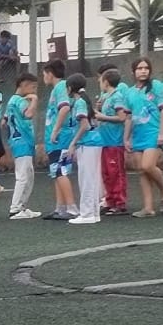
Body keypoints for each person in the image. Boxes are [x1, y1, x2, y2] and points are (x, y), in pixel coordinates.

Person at [127, 57, 163, 218]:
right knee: (141, 170)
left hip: (153, 132)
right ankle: (148, 207)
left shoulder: (156, 86)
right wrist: (126, 138)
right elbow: (129, 116)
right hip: (138, 135)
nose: (143, 71)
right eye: (140, 68)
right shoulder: (130, 92)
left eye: (146, 68)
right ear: (133, 71)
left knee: (148, 165)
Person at [65, 73, 105, 225]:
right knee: (92, 178)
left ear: (70, 88)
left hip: (87, 143)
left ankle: (87, 213)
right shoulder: (84, 101)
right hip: (93, 143)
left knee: (86, 179)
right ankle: (93, 213)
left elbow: (85, 125)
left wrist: (73, 143)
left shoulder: (79, 103)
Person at [4, 72, 42, 219]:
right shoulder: (19, 100)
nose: (34, 90)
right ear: (23, 85)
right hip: (21, 141)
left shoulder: (12, 100)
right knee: (23, 176)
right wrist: (34, 100)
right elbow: (28, 114)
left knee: (28, 175)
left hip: (22, 140)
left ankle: (22, 207)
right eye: (33, 87)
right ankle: (15, 209)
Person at [94, 66, 131, 215]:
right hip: (105, 140)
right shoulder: (105, 97)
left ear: (106, 82)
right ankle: (110, 201)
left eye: (101, 80)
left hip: (114, 141)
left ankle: (120, 202)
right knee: (107, 173)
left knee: (116, 172)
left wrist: (102, 117)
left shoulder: (117, 97)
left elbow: (122, 117)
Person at [43, 59, 77, 220]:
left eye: (44, 74)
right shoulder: (57, 88)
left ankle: (72, 208)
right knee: (56, 172)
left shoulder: (61, 87)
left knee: (60, 171)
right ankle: (60, 208)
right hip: (57, 139)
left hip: (61, 138)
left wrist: (55, 131)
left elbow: (64, 108)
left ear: (50, 74)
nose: (44, 77)